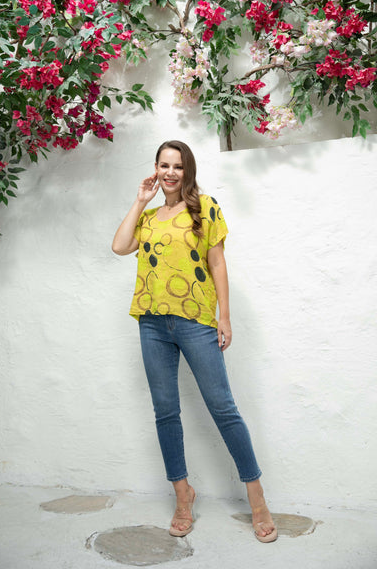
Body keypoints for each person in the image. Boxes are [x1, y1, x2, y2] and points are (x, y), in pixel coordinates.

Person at [112, 140, 277, 543]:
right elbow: (119, 246)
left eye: (178, 166)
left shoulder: (205, 208)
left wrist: (224, 316)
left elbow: (217, 262)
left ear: (188, 170)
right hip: (152, 322)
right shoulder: (149, 218)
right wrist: (140, 200)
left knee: (223, 408)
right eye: (164, 165)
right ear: (156, 169)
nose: (170, 173)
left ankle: (256, 496)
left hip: (196, 321)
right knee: (165, 411)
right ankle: (182, 494)